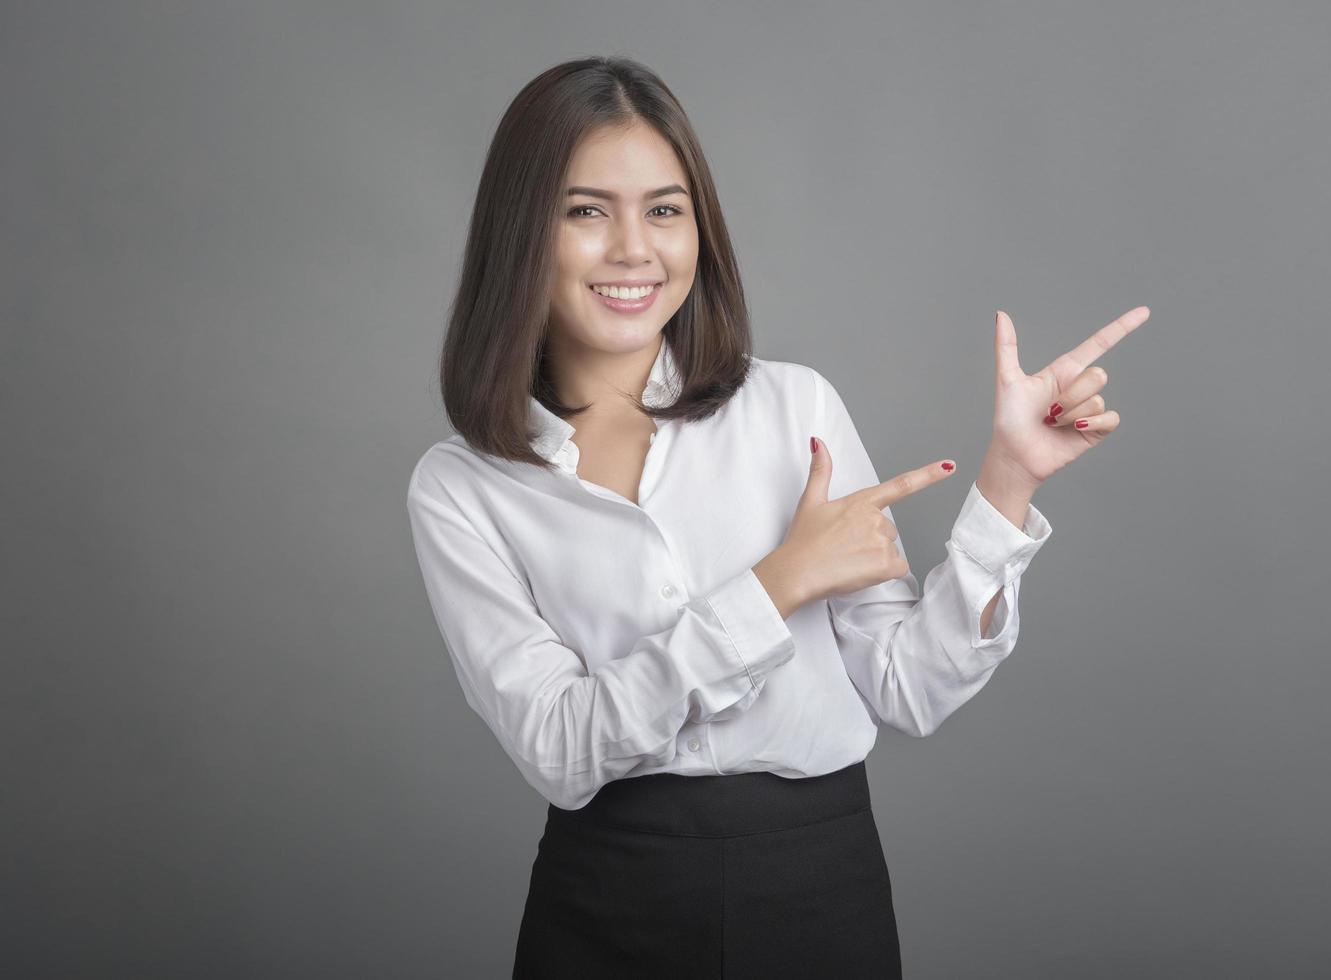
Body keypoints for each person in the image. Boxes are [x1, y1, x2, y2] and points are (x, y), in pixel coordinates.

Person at [405, 55, 1148, 980]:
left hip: (816, 883)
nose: (635, 249)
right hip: (606, 897)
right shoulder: (463, 485)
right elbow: (560, 748)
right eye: (586, 210)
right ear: (523, 231)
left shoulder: (791, 408)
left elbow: (909, 688)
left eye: (665, 210)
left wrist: (1007, 483)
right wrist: (777, 584)